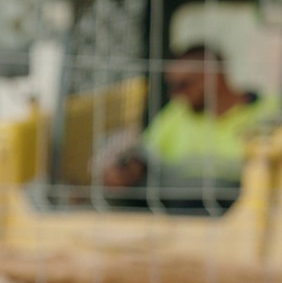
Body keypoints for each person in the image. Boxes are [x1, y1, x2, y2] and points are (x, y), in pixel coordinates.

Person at [102, 45, 280, 211]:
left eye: (182, 85)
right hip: (178, 212)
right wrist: (129, 169)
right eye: (171, 86)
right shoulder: (177, 113)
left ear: (213, 77)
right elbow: (145, 152)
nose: (174, 94)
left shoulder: (270, 111)